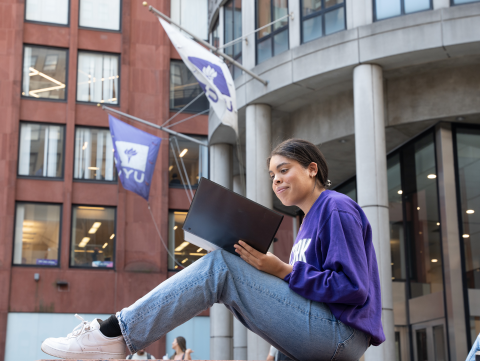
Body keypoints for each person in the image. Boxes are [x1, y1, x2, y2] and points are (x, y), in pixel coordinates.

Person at [41, 138, 385, 361]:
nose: (276, 180)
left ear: (312, 170)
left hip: (341, 335)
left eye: (284, 170)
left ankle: (116, 334)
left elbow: (353, 288)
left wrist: (281, 270)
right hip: (321, 335)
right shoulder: (306, 222)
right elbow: (305, 294)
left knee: (221, 265)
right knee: (229, 260)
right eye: (271, 175)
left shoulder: (335, 207)